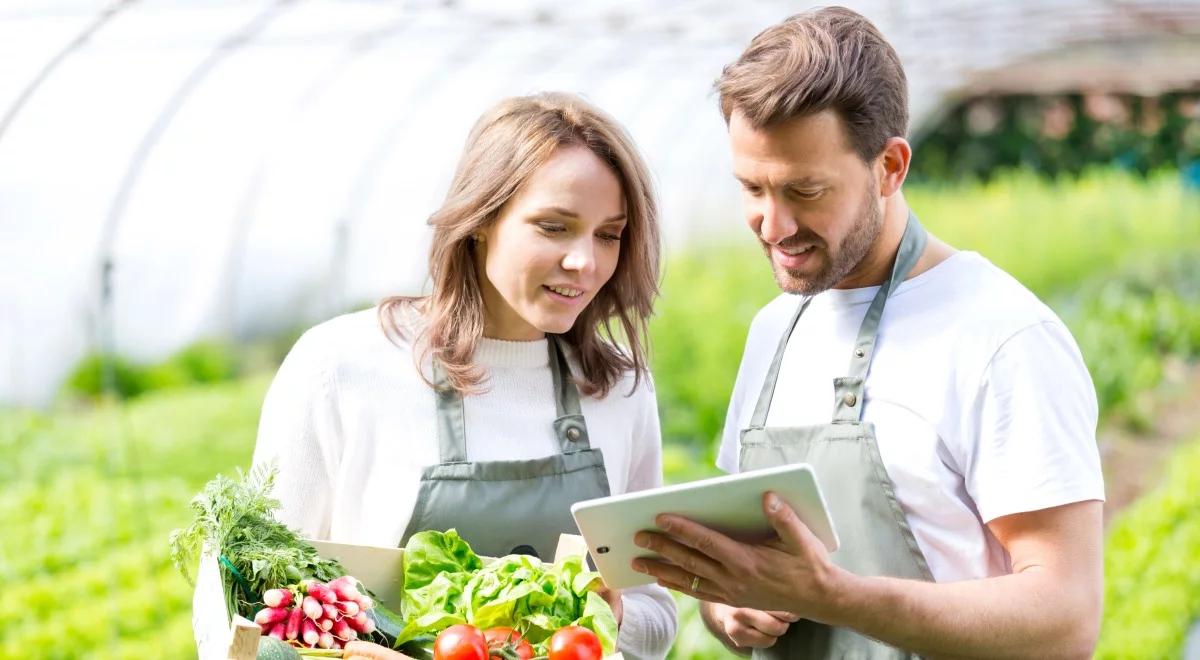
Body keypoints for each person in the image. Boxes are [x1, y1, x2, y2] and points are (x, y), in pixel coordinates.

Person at [632, 8, 1104, 659]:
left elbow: (1066, 619)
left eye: (805, 190)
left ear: (890, 167)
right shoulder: (777, 328)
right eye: (752, 188)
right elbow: (742, 563)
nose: (772, 224)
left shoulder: (1002, 338)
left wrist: (833, 594)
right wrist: (726, 605)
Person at [252, 92, 677, 658]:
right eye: (554, 227)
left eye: (609, 234)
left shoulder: (618, 389)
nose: (587, 263)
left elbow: (656, 610)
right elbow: (253, 596)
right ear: (480, 221)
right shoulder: (343, 367)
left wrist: (611, 614)